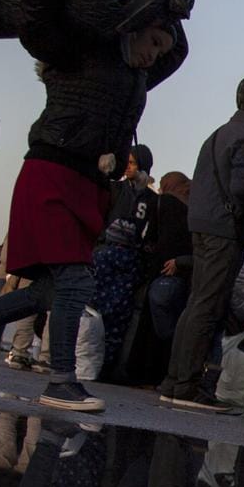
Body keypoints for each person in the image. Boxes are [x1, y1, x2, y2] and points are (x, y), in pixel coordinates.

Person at [0, 0, 187, 411]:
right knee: (73, 283)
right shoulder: (82, 52)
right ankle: (62, 381)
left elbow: (178, 51)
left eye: (160, 46)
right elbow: (38, 27)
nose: (156, 53)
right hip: (51, 171)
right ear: (131, 27)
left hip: (87, 185)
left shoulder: (137, 75)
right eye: (152, 40)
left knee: (55, 286)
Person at [160, 75, 244, 411]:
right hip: (223, 231)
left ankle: (173, 381)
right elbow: (243, 187)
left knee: (195, 303)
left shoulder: (219, 134)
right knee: (208, 307)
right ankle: (186, 388)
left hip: (200, 224)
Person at [90, 145, 156, 380]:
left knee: (117, 315)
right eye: (127, 163)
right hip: (106, 255)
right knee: (93, 308)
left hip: (128, 262)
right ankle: (86, 359)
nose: (128, 167)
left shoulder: (151, 200)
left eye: (133, 163)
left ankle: (105, 366)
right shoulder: (115, 189)